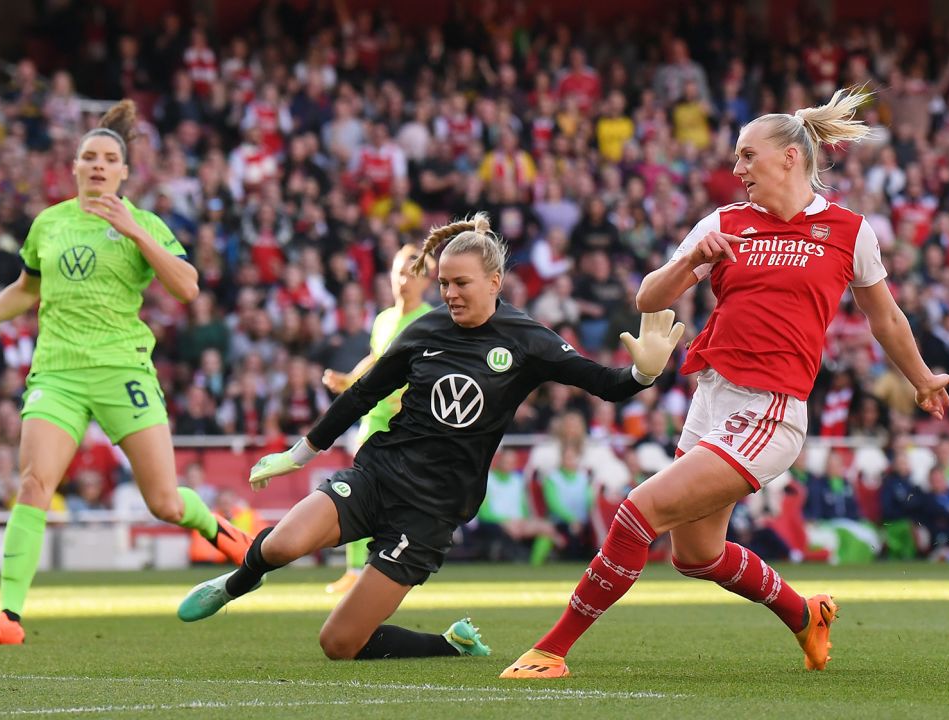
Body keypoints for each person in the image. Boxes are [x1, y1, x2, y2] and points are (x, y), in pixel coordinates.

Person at [502, 87, 949, 679]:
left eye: (748, 156)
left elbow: (885, 317)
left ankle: (551, 650)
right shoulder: (722, 223)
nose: (737, 169)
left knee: (638, 511)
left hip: (771, 409)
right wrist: (692, 262)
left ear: (791, 157)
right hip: (711, 400)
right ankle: (806, 613)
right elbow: (647, 299)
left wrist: (921, 379)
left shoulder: (849, 230)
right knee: (695, 555)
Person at [176, 213, 684, 662]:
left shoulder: (528, 339)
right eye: (443, 283)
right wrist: (299, 452)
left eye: (460, 283)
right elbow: (363, 394)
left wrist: (641, 375)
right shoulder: (425, 330)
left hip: (432, 510)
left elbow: (602, 383)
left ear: (494, 281)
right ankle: (235, 582)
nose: (449, 294)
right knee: (283, 544)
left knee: (338, 645)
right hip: (378, 476)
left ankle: (450, 644)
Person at [0, 100, 251, 645]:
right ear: (74, 167)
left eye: (108, 158)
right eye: (88, 157)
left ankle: (216, 528)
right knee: (34, 484)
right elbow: (27, 288)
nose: (97, 165)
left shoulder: (145, 223)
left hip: (122, 369)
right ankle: (9, 616)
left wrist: (135, 232)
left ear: (124, 172)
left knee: (163, 502)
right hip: (57, 373)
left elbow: (187, 287)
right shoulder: (49, 223)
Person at [319, 243, 435, 595]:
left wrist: (413, 397)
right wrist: (349, 380)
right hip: (374, 417)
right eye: (399, 271)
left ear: (427, 282)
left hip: (411, 423)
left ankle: (394, 565)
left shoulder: (431, 320)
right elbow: (377, 358)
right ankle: (355, 569)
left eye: (412, 274)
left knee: (401, 495)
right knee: (357, 487)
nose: (403, 280)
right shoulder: (385, 319)